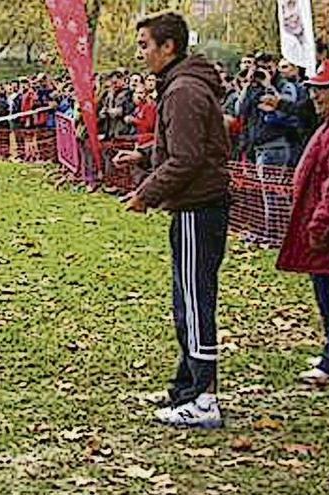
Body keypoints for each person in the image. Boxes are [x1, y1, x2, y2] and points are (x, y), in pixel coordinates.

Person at [115, 12, 230, 428]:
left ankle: (203, 397)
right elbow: (184, 145)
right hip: (195, 207)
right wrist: (145, 155)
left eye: (146, 45)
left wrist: (146, 194)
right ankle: (188, 388)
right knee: (186, 301)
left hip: (199, 209)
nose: (141, 53)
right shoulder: (182, 85)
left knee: (195, 304)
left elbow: (187, 158)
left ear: (169, 47)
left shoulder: (182, 90)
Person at [276, 59, 329, 383]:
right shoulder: (328, 124)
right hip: (324, 229)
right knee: (326, 295)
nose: (315, 96)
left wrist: (320, 224)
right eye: (313, 90)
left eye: (322, 90)